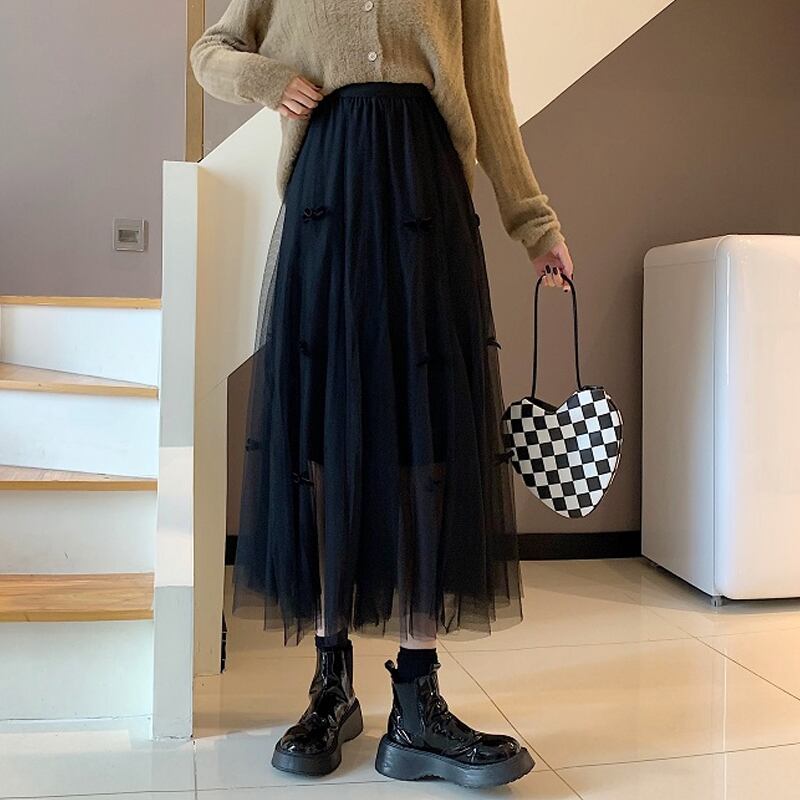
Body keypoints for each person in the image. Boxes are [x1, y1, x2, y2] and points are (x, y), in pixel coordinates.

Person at [190, 0, 574, 788]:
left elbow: (487, 92)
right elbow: (210, 52)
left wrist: (534, 223)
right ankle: (330, 686)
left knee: (422, 439)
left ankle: (417, 702)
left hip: (425, 194)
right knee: (325, 441)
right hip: (327, 191)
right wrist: (268, 81)